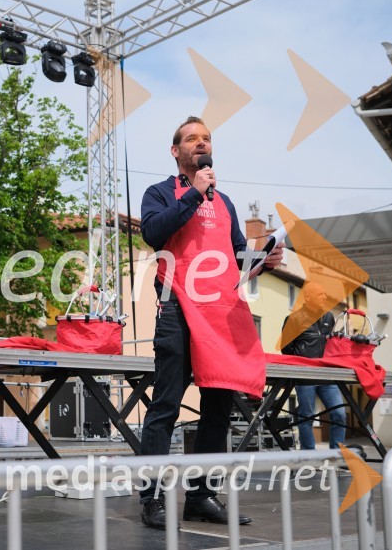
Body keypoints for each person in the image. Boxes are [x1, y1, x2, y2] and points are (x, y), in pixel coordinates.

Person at [138, 116, 284, 530]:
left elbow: (237, 256)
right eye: (192, 139)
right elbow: (153, 232)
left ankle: (201, 496)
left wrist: (264, 259)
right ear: (176, 151)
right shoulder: (159, 193)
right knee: (166, 404)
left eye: (206, 138)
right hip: (177, 308)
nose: (201, 143)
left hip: (220, 313)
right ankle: (151, 498)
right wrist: (194, 193)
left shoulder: (225, 203)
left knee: (218, 408)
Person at [281, 282, 346, 449]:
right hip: (305, 376)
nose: (324, 297)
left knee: (339, 414)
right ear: (308, 297)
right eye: (320, 294)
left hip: (327, 375)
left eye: (325, 294)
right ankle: (309, 454)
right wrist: (301, 364)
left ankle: (336, 455)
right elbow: (286, 349)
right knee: (307, 416)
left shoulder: (329, 317)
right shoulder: (294, 319)